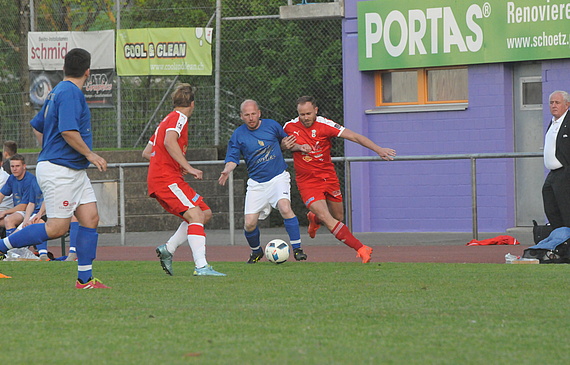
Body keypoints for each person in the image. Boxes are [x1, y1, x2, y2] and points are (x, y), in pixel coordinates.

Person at [0, 48, 110, 289]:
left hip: (72, 170)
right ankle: (1, 248)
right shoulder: (70, 92)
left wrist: (49, 149)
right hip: (61, 169)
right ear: (88, 71)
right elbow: (68, 131)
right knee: (57, 227)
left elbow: (37, 126)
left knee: (90, 218)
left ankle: (84, 280)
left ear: (64, 68)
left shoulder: (56, 91)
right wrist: (90, 154)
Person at [283, 96, 397, 263]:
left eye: (308, 113)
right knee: (328, 219)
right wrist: (285, 146)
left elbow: (355, 137)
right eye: (302, 114)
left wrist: (378, 149)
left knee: (338, 217)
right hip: (307, 181)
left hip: (328, 177)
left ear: (316, 110)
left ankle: (314, 218)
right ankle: (361, 248)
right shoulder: (289, 127)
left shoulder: (326, 125)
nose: (305, 117)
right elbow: (281, 143)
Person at [142, 83, 225, 277]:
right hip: (166, 179)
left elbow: (147, 152)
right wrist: (187, 167)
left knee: (204, 213)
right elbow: (169, 141)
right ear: (192, 104)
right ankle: (201, 266)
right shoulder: (179, 118)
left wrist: (175, 164)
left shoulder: (165, 120)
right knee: (195, 215)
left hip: (167, 177)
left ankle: (168, 249)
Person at [218, 99, 310, 263]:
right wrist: (227, 169)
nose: (251, 118)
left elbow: (286, 143)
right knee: (249, 224)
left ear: (259, 113)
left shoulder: (272, 125)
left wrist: (299, 147)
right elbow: (232, 158)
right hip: (256, 183)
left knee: (285, 207)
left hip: (278, 177)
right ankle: (256, 252)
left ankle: (297, 250)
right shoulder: (238, 134)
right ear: (241, 116)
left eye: (253, 114)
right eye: (247, 115)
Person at [542, 90, 570, 229]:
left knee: (565, 210)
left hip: (565, 172)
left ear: (567, 105)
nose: (554, 105)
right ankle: (560, 238)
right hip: (552, 173)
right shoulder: (553, 122)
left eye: (557, 102)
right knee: (550, 206)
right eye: (551, 102)